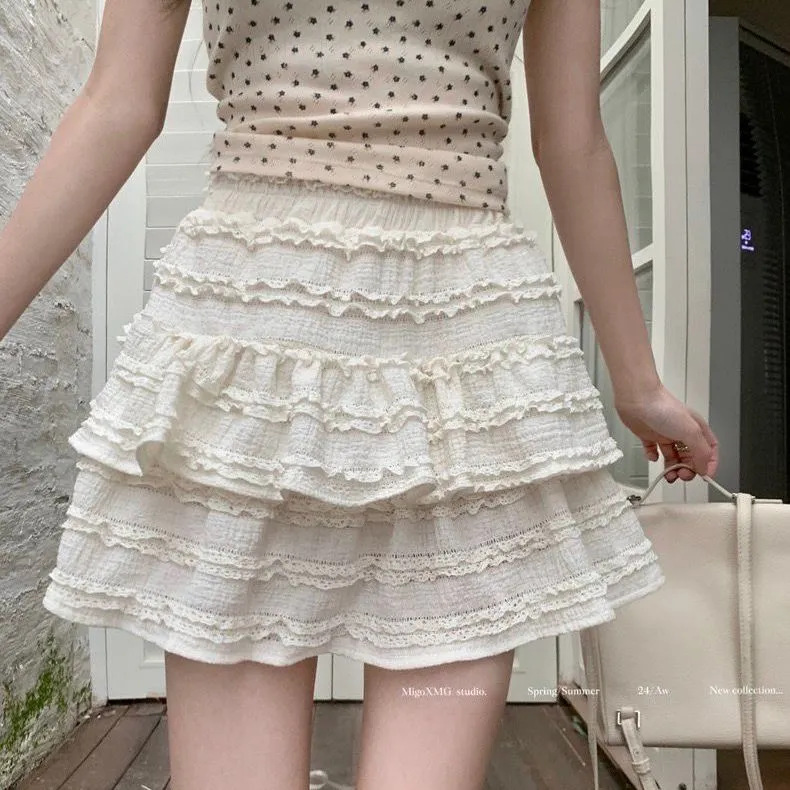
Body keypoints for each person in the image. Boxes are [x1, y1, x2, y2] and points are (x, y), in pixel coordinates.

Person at [0, 1, 719, 789]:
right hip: (270, 333)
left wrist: (638, 383)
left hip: (443, 341)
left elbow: (572, 141)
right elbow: (116, 104)